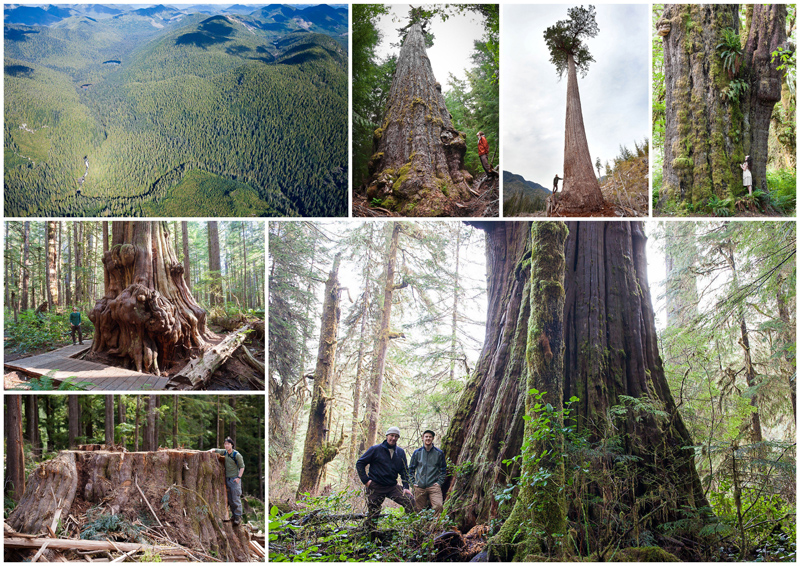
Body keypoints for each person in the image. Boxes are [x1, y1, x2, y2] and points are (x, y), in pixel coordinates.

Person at [356, 427, 415, 521]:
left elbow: (404, 471)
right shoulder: (375, 449)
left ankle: (405, 526)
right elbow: (360, 463)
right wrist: (366, 481)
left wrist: (406, 487)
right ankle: (370, 533)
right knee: (373, 514)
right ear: (387, 436)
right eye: (392, 435)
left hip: (392, 486)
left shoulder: (400, 452)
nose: (393, 438)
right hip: (376, 486)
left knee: (410, 501)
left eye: (396, 436)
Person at [208, 437, 245, 525]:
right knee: (230, 498)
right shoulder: (225, 452)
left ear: (232, 445)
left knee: (235, 498)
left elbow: (242, 467)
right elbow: (216, 450)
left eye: (228, 444)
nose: (226, 445)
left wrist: (239, 477)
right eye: (225, 444)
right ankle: (233, 515)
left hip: (234, 479)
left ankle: (238, 517)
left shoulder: (236, 454)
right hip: (227, 478)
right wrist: (210, 450)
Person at [409, 430, 447, 514]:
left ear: (433, 438)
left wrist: (439, 482)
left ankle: (435, 525)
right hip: (419, 486)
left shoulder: (439, 453)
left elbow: (443, 470)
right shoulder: (417, 453)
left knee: (438, 506)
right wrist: (413, 483)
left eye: (430, 437)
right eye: (426, 436)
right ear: (422, 438)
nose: (428, 438)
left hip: (434, 486)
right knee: (419, 509)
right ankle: (421, 526)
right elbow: (411, 469)